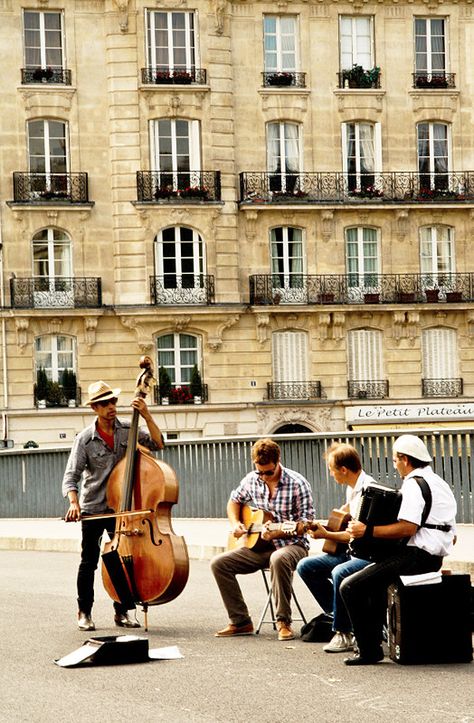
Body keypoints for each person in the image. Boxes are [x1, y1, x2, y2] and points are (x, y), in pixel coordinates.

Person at [340, 433, 457, 666]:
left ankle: (368, 650)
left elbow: (407, 528)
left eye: (395, 461)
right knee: (372, 586)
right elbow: (451, 535)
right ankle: (375, 643)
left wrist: (367, 530)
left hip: (415, 557)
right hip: (433, 557)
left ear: (404, 459)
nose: (396, 467)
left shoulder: (414, 484)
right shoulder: (439, 483)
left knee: (350, 586)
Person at [62, 380, 165, 631]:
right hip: (94, 507)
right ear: (94, 408)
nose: (111, 406)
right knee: (90, 562)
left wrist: (147, 415)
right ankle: (84, 612)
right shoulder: (85, 439)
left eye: (113, 401)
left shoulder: (127, 430)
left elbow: (158, 444)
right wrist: (74, 504)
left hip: (121, 509)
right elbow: (71, 476)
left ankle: (123, 612)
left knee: (120, 559)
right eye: (104, 403)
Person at [210, 438, 315, 641]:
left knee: (278, 558)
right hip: (258, 546)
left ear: (278, 461)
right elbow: (234, 502)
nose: (264, 477)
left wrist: (279, 533)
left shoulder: (298, 483)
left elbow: (306, 522)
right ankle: (240, 621)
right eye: (260, 472)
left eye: (269, 472)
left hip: (292, 545)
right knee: (218, 563)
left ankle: (283, 621)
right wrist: (236, 524)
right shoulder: (251, 479)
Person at [296, 442, 374, 652]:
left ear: (343, 469)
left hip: (365, 555)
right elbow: (346, 517)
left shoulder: (367, 491)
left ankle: (343, 631)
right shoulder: (353, 489)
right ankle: (342, 615)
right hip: (352, 552)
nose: (331, 474)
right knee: (306, 566)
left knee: (340, 571)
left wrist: (325, 534)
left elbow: (352, 535)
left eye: (331, 469)